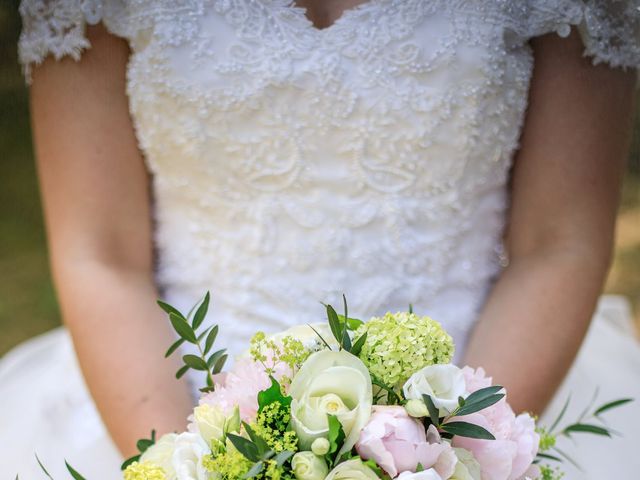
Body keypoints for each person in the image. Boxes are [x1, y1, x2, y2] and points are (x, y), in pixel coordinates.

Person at [1, 0, 639, 478]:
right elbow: (101, 255)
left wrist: (454, 458)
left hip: (493, 380)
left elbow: (560, 242)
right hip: (157, 394)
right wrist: (189, 465)